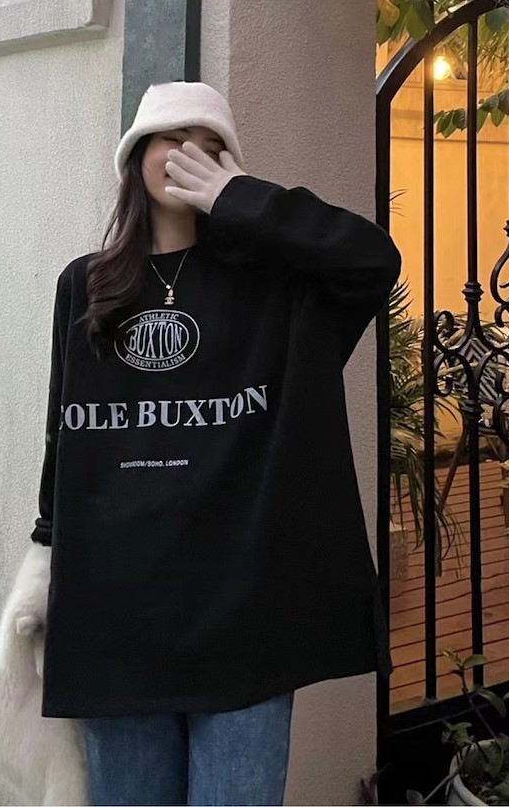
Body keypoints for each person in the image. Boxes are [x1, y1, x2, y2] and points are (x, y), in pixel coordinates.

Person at [30, 80, 402, 806]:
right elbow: (63, 430)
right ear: (135, 157)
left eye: (211, 149)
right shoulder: (86, 285)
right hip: (115, 617)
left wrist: (241, 200)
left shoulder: (279, 292)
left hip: (243, 617)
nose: (187, 157)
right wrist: (44, 552)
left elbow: (371, 261)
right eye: (173, 140)